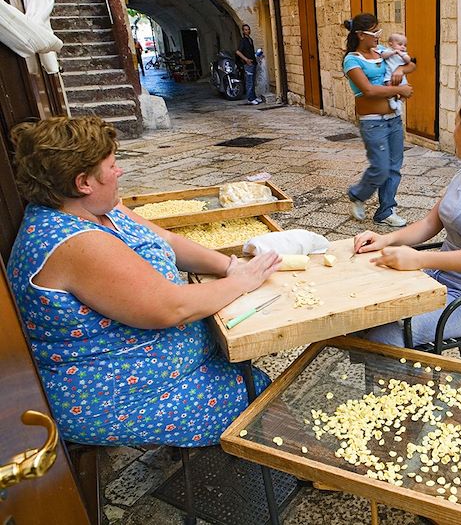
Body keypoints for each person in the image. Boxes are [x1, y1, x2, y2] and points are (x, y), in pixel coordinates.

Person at [6, 116, 282, 446]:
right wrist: (242, 283)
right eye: (111, 165)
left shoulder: (97, 207)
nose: (119, 171)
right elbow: (171, 308)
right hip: (117, 396)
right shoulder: (74, 243)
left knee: (245, 362)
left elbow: (167, 240)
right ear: (84, 182)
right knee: (258, 392)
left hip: (162, 365)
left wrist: (231, 266)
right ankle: (306, 465)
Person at [352, 94, 461, 346]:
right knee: (363, 312)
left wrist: (419, 258)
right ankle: (399, 376)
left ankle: (410, 382)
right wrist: (384, 239)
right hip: (439, 280)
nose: (452, 131)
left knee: (385, 335)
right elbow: (429, 224)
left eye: (455, 124)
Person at [343, 14, 416, 227]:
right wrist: (399, 89)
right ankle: (357, 194)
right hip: (373, 122)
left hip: (394, 119)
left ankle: (386, 211)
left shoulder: (382, 50)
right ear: (360, 35)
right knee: (381, 167)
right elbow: (368, 90)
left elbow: (409, 63)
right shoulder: (352, 60)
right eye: (374, 32)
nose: (378, 36)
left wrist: (401, 69)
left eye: (378, 32)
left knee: (394, 168)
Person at [379, 33, 412, 112]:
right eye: (400, 44)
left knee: (407, 90)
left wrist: (401, 54)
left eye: (405, 45)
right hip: (389, 76)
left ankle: (400, 102)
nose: (403, 47)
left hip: (401, 78)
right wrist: (393, 52)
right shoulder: (388, 51)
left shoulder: (403, 54)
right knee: (389, 87)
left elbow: (408, 60)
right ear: (391, 44)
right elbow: (383, 55)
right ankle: (391, 99)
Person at [236, 24, 261, 105]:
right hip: (248, 64)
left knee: (253, 81)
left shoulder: (250, 40)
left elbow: (249, 52)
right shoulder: (243, 40)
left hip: (253, 62)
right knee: (249, 81)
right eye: (246, 30)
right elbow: (238, 51)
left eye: (248, 29)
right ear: (243, 31)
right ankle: (250, 98)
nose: (248, 31)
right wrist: (246, 59)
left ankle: (253, 97)